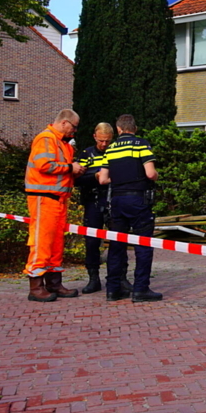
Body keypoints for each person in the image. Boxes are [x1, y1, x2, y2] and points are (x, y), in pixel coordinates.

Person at [97, 114, 162, 302]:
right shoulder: (141, 144)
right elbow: (150, 174)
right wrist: (156, 175)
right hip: (138, 200)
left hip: (117, 201)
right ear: (135, 128)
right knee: (143, 245)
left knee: (117, 245)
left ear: (118, 129)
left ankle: (113, 290)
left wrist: (119, 179)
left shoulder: (110, 149)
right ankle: (141, 289)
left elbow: (102, 179)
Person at [23, 109, 84, 302]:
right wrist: (70, 168)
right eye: (73, 127)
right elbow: (44, 165)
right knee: (42, 242)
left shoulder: (61, 143)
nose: (74, 131)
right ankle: (36, 287)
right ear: (65, 123)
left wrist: (73, 171)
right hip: (44, 198)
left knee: (55, 244)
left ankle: (54, 283)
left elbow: (56, 168)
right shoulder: (46, 139)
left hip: (57, 199)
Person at [76, 123, 134, 294]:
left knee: (119, 241)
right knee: (92, 242)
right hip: (93, 202)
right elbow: (76, 178)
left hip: (113, 202)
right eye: (101, 141)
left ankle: (120, 278)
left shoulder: (116, 152)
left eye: (107, 141)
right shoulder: (87, 154)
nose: (104, 145)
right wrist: (94, 176)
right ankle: (93, 279)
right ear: (95, 136)